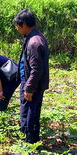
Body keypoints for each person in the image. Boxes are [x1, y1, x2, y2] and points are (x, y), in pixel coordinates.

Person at [14, 9, 50, 144]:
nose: (17, 29)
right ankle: (32, 140)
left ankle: (29, 143)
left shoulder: (34, 42)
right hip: (31, 82)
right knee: (32, 113)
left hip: (32, 84)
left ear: (24, 25)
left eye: (18, 26)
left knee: (28, 114)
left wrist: (29, 88)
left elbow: (36, 69)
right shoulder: (34, 37)